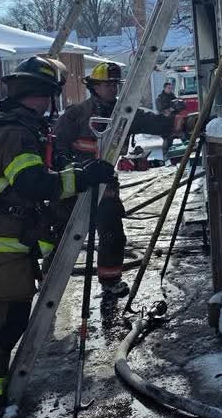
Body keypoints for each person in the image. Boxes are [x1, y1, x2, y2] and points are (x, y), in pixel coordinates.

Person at [0, 57, 115, 418]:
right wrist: (82, 178)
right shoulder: (15, 133)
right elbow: (32, 183)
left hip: (7, 235)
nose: (51, 103)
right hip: (4, 238)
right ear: (41, 94)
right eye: (49, 95)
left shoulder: (12, 126)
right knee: (3, 320)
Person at [53, 62, 179, 297]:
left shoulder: (125, 114)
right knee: (62, 236)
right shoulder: (76, 115)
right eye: (107, 84)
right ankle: (49, 282)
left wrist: (184, 122)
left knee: (113, 235)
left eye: (115, 84)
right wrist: (71, 172)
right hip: (75, 184)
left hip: (106, 185)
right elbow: (57, 148)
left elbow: (155, 123)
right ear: (94, 86)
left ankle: (110, 282)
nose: (112, 88)